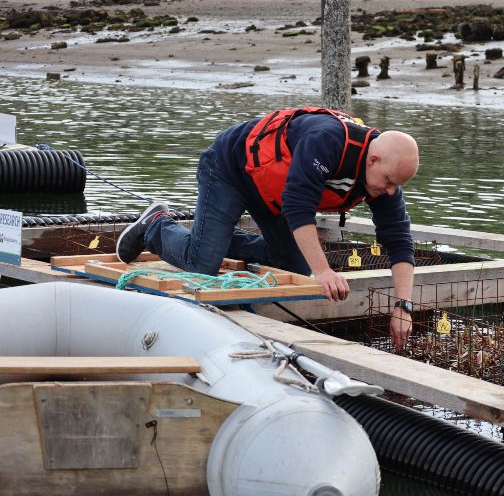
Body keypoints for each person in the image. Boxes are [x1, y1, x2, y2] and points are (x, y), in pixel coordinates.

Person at [116, 107, 419, 353]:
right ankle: (157, 225)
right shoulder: (327, 141)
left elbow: (399, 238)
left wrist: (403, 305)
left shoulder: (383, 180)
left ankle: (212, 239)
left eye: (398, 186)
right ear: (374, 159)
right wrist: (324, 271)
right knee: (201, 263)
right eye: (390, 181)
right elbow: (299, 208)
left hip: (271, 193)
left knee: (294, 266)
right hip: (229, 168)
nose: (391, 191)